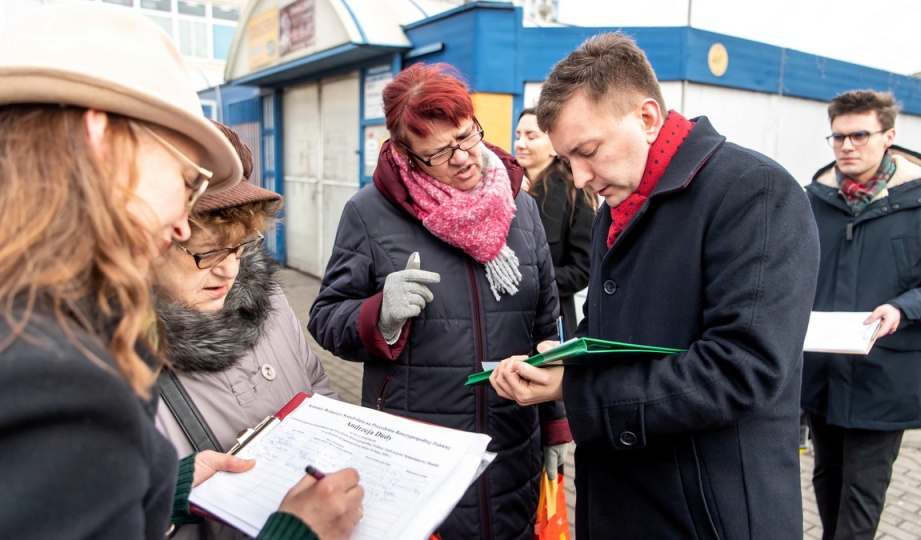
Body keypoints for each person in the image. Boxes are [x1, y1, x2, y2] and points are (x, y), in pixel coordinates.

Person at [0, 4, 362, 539]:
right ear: (104, 144)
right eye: (188, 178)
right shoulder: (58, 373)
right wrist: (298, 533)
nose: (178, 223)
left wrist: (163, 488)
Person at [489, 31, 820, 539]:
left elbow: (743, 368)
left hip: (708, 513)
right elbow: (632, 344)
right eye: (566, 160)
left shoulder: (754, 191)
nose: (578, 178)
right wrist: (571, 358)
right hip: (626, 503)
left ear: (646, 118)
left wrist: (578, 392)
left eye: (588, 150)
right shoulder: (619, 204)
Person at [307, 62, 571, 539]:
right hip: (417, 452)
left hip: (513, 445)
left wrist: (555, 425)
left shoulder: (520, 206)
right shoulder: (368, 213)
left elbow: (546, 326)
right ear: (405, 154)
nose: (465, 158)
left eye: (468, 137)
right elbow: (325, 317)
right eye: (439, 153)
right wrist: (379, 314)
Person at [152, 121, 342, 539]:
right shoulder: (103, 355)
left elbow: (316, 386)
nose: (229, 269)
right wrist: (163, 496)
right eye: (207, 252)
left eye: (241, 245)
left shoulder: (267, 297)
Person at [802, 89, 921, 539]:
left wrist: (903, 308)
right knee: (826, 482)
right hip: (822, 377)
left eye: (859, 135)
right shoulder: (812, 201)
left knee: (861, 496)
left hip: (884, 376)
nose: (847, 146)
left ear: (888, 136)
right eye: (837, 137)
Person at [515, 107, 597, 338]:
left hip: (552, 321)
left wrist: (533, 281)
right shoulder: (502, 187)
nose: (520, 143)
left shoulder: (576, 191)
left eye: (531, 137)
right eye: (518, 135)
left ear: (553, 145)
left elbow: (583, 269)